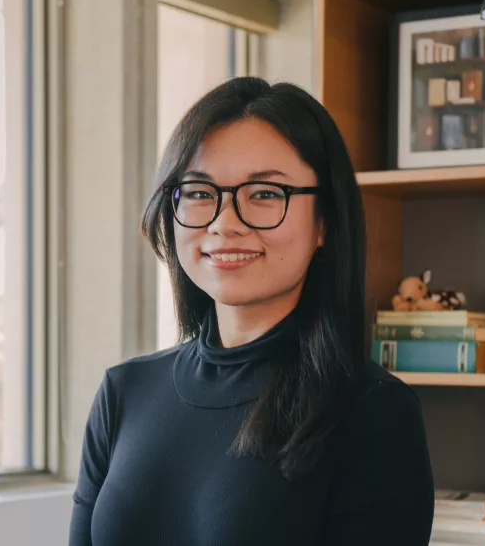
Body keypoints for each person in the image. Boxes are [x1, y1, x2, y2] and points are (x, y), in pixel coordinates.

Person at [68, 76, 435, 545]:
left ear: (324, 221)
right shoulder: (124, 393)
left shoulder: (374, 412)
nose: (225, 224)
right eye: (200, 193)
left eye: (264, 194)